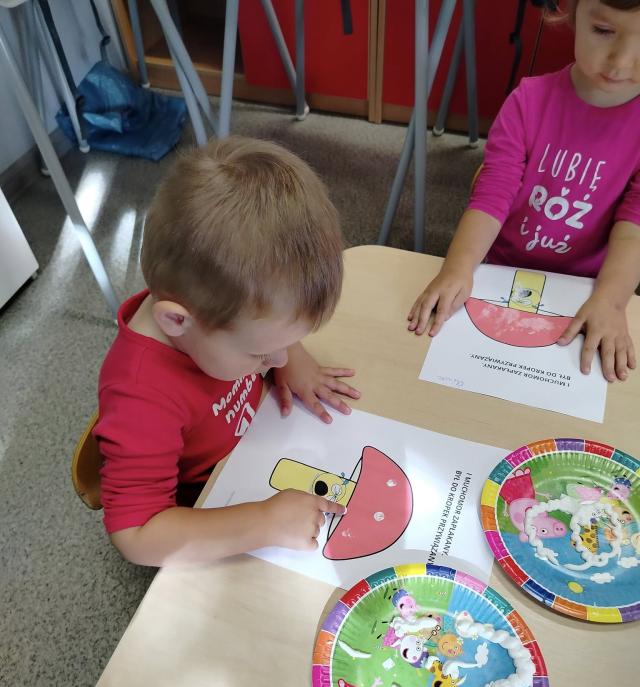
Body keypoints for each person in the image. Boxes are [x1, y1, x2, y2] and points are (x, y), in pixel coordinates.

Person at [94, 137, 360, 568]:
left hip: (259, 450)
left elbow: (267, 327)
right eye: (261, 354)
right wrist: (262, 524)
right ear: (176, 321)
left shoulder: (215, 314)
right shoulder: (140, 394)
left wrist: (290, 354)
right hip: (209, 510)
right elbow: (136, 534)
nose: (278, 361)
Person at [408, 0, 640, 382]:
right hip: (502, 268)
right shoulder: (528, 102)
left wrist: (612, 303)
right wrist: (457, 269)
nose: (621, 62)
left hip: (589, 287)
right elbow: (491, 195)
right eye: (603, 31)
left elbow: (633, 228)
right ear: (571, 12)